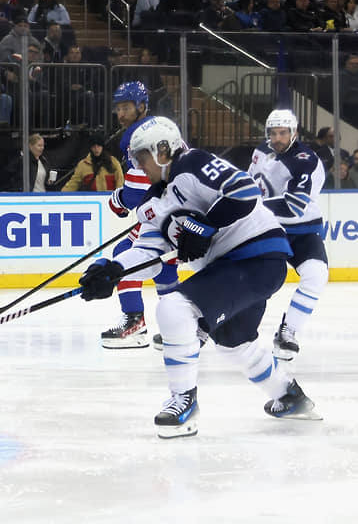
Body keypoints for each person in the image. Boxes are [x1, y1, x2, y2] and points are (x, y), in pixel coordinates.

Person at [78, 116, 321, 439]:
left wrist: (204, 226)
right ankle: (289, 396)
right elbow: (149, 252)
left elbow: (244, 192)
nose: (138, 165)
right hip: (232, 267)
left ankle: (184, 402)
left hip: (259, 255)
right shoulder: (152, 204)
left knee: (174, 307)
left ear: (163, 149)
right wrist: (113, 270)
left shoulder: (193, 162)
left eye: (142, 157)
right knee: (235, 343)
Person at [102, 81, 180, 349]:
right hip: (179, 209)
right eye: (118, 108)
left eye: (126, 107)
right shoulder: (163, 126)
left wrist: (117, 201)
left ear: (142, 106)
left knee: (125, 254)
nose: (121, 114)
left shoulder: (136, 137)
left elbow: (135, 195)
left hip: (167, 211)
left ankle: (135, 324)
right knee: (164, 266)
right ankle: (177, 328)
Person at [248, 109, 328, 366]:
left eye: (283, 133)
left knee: (316, 274)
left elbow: (294, 205)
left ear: (294, 132)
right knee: (256, 281)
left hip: (301, 231)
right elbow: (250, 183)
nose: (278, 138)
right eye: (273, 133)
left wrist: (251, 205)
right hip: (267, 229)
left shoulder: (306, 161)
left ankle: (288, 331)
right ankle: (221, 326)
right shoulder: (261, 151)